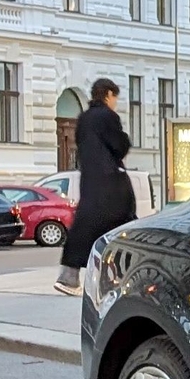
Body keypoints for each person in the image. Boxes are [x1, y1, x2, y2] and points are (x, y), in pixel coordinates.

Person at [56, 78, 135, 294]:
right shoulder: (108, 117)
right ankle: (121, 276)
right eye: (115, 98)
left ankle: (69, 275)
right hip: (110, 182)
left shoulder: (83, 118)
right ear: (108, 94)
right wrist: (125, 140)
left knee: (86, 223)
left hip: (90, 179)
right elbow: (118, 146)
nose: (115, 103)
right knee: (123, 225)